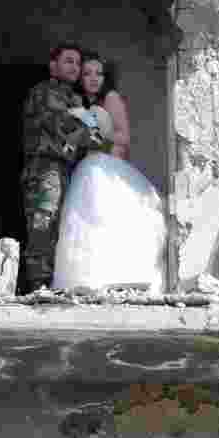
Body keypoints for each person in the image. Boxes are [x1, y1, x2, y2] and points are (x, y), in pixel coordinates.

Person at [52, 52, 168, 294]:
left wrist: (96, 136)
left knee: (107, 218)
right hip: (88, 165)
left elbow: (124, 138)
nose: (93, 79)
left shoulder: (111, 98)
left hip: (107, 166)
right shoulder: (79, 101)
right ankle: (86, 281)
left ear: (106, 77)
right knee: (84, 221)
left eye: (99, 73)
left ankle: (117, 278)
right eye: (87, 73)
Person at [20, 43, 106, 294]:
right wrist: (85, 122)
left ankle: (55, 283)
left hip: (67, 168)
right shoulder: (44, 92)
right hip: (45, 167)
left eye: (78, 63)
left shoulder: (75, 98)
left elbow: (94, 137)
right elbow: (65, 125)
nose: (74, 67)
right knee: (43, 223)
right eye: (68, 61)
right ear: (53, 65)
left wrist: (86, 124)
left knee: (64, 226)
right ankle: (39, 284)